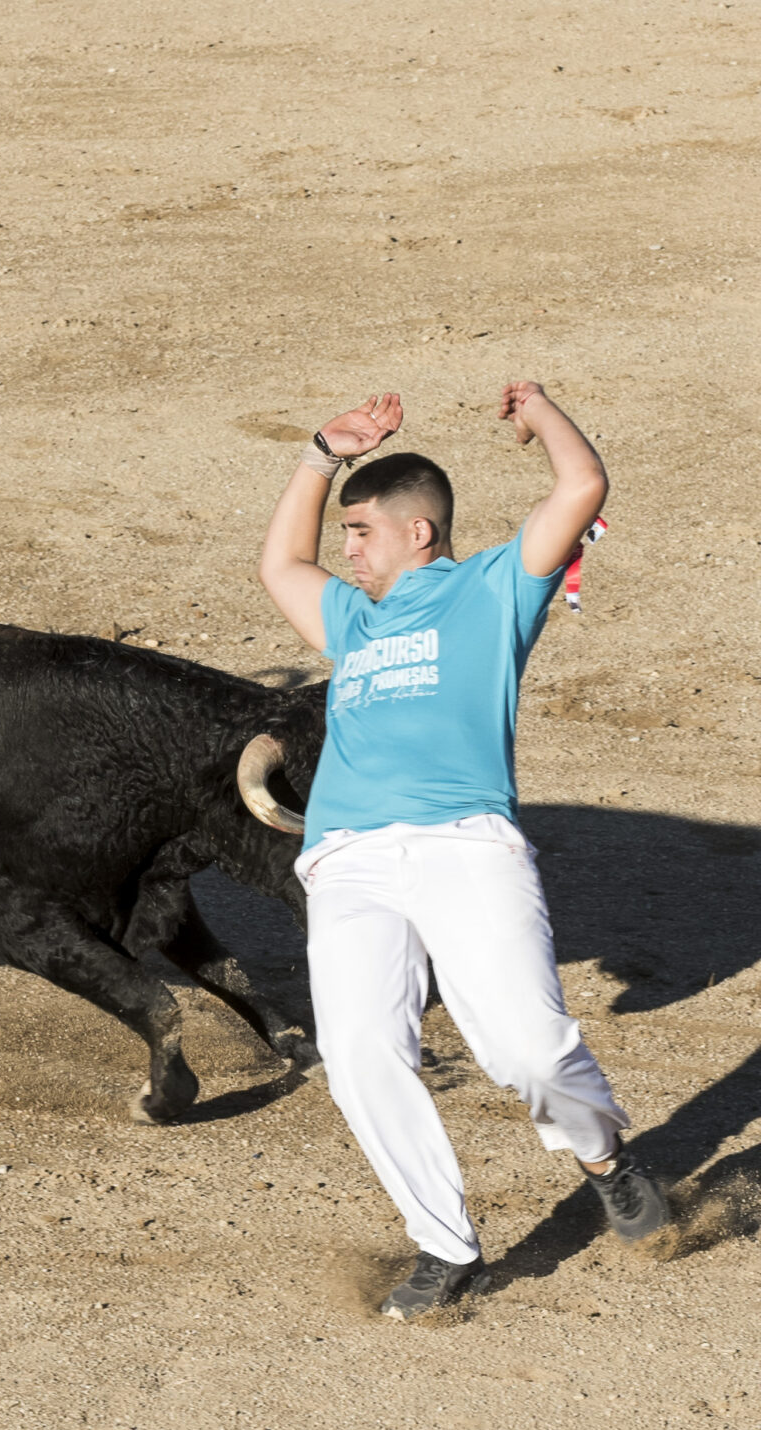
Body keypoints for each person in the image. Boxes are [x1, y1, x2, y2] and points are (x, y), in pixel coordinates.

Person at [253, 383, 668, 1319]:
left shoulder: (493, 590)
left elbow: (583, 482)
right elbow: (281, 561)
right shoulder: (352, 622)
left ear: (419, 534)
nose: (343, 548)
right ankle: (444, 1244)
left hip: (464, 843)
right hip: (349, 857)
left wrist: (544, 410)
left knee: (525, 1046)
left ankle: (605, 1159)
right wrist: (323, 454)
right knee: (359, 1050)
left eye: (359, 531)